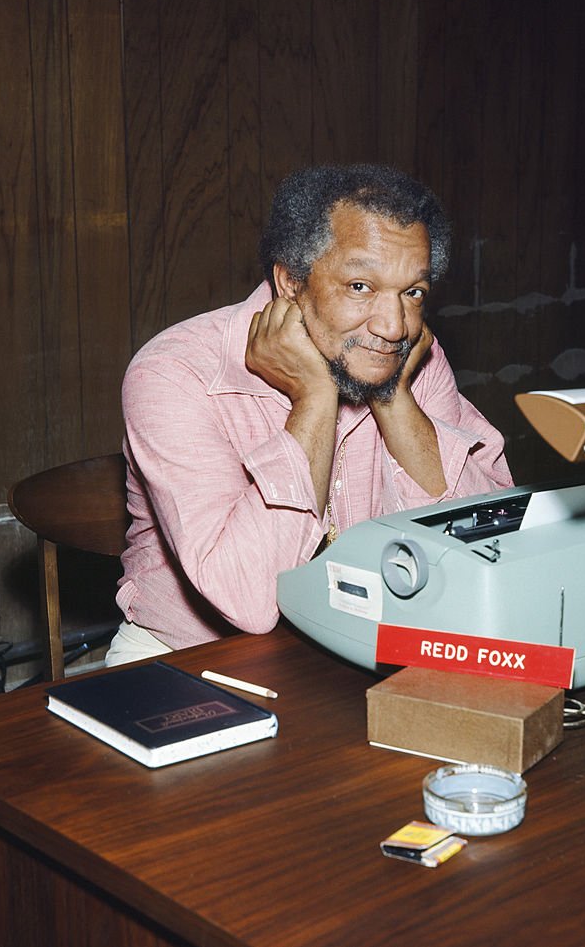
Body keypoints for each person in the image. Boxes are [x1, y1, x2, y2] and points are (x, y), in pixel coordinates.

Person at [106, 163, 512, 666]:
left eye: (413, 292)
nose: (394, 325)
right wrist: (315, 400)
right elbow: (247, 601)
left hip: (363, 650)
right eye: (360, 286)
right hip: (188, 659)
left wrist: (391, 396)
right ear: (290, 283)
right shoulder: (174, 372)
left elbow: (498, 546)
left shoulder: (407, 356)